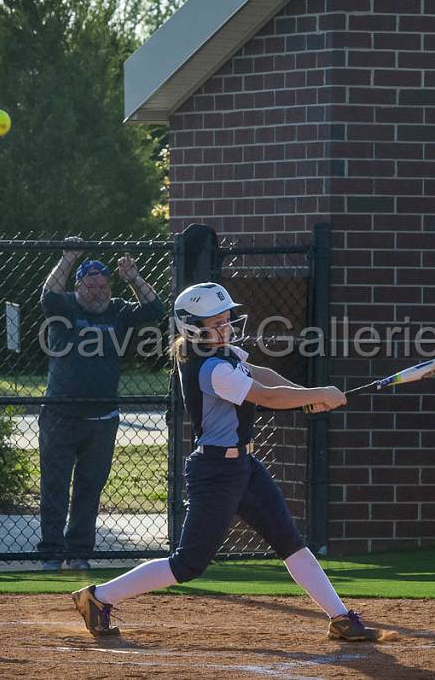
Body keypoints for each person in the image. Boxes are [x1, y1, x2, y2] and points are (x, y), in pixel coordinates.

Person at [71, 282, 380, 641]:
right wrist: (317, 394)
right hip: (215, 473)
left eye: (226, 320)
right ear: (192, 328)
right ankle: (98, 597)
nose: (226, 327)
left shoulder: (227, 354)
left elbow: (264, 377)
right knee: (187, 564)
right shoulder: (210, 368)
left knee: (289, 541)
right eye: (215, 323)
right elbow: (264, 396)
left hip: (244, 467)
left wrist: (306, 397)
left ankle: (340, 618)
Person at [37, 239, 165, 571]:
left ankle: (79, 552)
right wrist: (67, 259)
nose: (98, 291)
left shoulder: (118, 310)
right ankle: (51, 552)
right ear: (78, 286)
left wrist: (134, 278)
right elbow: (47, 295)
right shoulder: (65, 307)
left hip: (103, 419)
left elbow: (156, 309)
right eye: (91, 285)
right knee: (54, 487)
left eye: (103, 285)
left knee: (89, 489)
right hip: (60, 416)